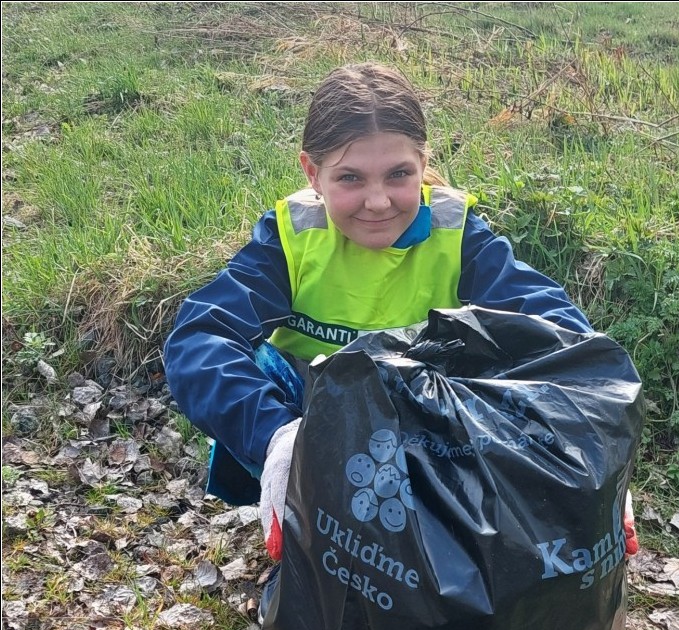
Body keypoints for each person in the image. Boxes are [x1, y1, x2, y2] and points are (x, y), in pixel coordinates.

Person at [164, 62, 636, 560]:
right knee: (261, 365)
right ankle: (298, 499)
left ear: (422, 163)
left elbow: (562, 338)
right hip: (317, 435)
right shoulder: (291, 238)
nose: (377, 201)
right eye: (349, 177)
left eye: (399, 175)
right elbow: (199, 338)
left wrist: (587, 452)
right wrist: (278, 440)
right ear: (312, 173)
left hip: (433, 436)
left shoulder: (457, 235)